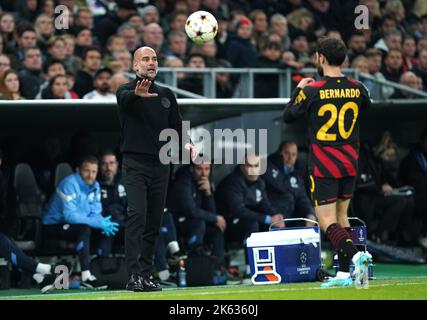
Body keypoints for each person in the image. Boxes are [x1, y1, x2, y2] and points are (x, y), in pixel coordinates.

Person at [283, 36, 372, 289]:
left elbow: (289, 116)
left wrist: (298, 91)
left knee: (326, 221)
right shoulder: (358, 87)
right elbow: (368, 106)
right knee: (343, 218)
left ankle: (357, 256)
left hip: (324, 164)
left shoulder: (312, 90)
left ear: (320, 58)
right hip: (349, 162)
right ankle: (345, 275)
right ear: (344, 59)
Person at [116, 46, 196, 292]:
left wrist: (188, 142)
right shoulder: (125, 91)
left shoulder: (166, 94)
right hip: (135, 164)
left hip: (162, 165)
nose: (151, 62)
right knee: (137, 215)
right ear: (135, 65)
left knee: (154, 221)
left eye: (154, 59)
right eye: (145, 59)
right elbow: (126, 101)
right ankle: (133, 275)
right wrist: (138, 95)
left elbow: (177, 125)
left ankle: (146, 273)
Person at [42, 155, 119, 290]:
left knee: (108, 229)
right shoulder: (69, 183)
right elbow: (70, 216)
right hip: (53, 225)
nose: (90, 175)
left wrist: (101, 222)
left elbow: (95, 212)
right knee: (85, 228)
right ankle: (86, 275)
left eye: (94, 172)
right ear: (78, 170)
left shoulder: (95, 185)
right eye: (86, 171)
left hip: (77, 225)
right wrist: (97, 222)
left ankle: (98, 270)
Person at [216, 154, 283, 277]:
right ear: (242, 167)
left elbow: (265, 205)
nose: (253, 170)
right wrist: (268, 219)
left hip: (247, 222)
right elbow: (238, 210)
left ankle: (275, 265)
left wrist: (276, 217)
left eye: (256, 166)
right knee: (251, 224)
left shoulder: (259, 183)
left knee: (271, 226)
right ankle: (249, 269)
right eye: (249, 166)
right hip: (226, 226)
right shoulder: (233, 182)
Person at [170, 161, 226, 263]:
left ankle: (217, 266)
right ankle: (195, 260)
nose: (204, 173)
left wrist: (208, 193)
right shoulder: (183, 182)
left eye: (207, 169)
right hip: (178, 222)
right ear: (192, 169)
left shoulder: (205, 182)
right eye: (199, 169)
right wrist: (215, 218)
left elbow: (211, 211)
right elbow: (190, 210)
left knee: (217, 227)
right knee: (199, 223)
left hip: (196, 220)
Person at [262, 141, 316, 223]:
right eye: (287, 153)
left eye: (294, 154)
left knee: (315, 222)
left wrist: (310, 214)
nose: (290, 157)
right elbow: (262, 197)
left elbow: (302, 198)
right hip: (272, 217)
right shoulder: (266, 168)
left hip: (290, 218)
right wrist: (273, 216)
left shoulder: (296, 174)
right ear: (279, 153)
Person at [97, 149, 127, 256]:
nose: (108, 167)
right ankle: (100, 269)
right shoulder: (94, 184)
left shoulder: (126, 181)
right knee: (106, 235)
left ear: (117, 165)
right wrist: (101, 222)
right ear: (99, 166)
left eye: (111, 163)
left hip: (125, 225)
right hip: (103, 225)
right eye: (104, 164)